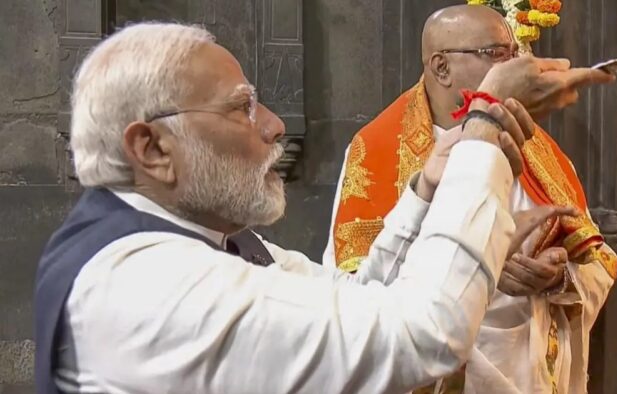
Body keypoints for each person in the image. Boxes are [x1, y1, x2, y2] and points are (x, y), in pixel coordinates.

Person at [33, 22, 571, 394]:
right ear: (152, 149)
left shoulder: (215, 241)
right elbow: (422, 336)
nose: (272, 125)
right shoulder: (143, 281)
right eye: (241, 107)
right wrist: (485, 126)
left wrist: (425, 193)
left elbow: (364, 299)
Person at [323, 5, 617, 394]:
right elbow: (356, 293)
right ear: (441, 67)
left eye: (514, 52)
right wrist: (488, 274)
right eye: (497, 54)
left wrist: (559, 277)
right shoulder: (378, 152)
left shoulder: (541, 151)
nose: (519, 66)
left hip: (531, 375)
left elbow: (599, 260)